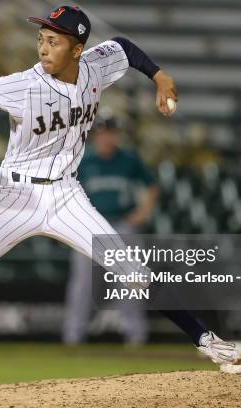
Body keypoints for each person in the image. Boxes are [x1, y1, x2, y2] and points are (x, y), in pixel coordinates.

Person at [0, 5, 241, 392]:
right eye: (41, 39)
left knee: (131, 270)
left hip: (65, 196)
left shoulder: (94, 67)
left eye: (53, 41)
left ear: (77, 50)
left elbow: (124, 47)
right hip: (14, 196)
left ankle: (208, 342)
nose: (43, 48)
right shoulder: (25, 84)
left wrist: (159, 76)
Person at [63, 117, 158, 346]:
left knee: (132, 279)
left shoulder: (128, 159)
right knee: (83, 282)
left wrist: (142, 212)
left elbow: (152, 186)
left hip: (122, 225)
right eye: (104, 133)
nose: (108, 137)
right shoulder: (84, 160)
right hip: (90, 227)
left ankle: (136, 336)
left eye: (112, 133)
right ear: (96, 135)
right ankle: (72, 337)